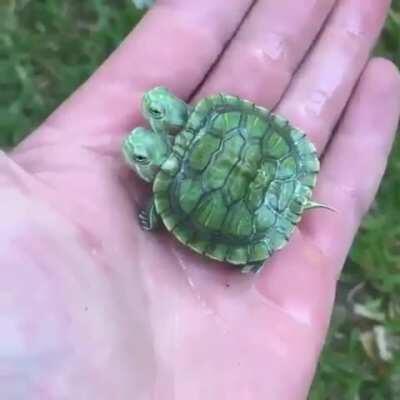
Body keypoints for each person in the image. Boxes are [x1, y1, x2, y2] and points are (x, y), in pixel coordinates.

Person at [1, 0, 399, 398]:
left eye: (157, 110)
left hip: (255, 188)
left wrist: (149, 217)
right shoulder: (210, 120)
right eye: (142, 152)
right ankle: (256, 249)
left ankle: (256, 250)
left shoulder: (171, 190)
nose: (149, 113)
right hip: (271, 168)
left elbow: (163, 204)